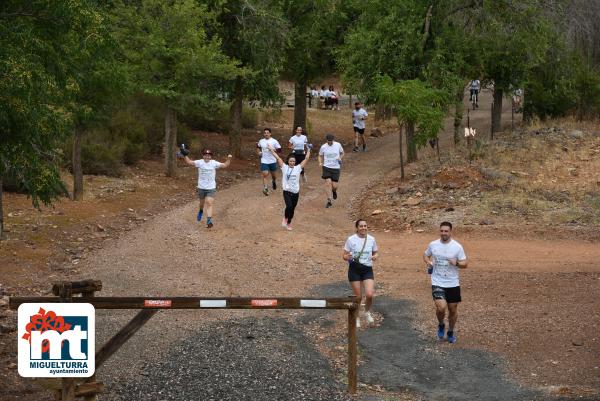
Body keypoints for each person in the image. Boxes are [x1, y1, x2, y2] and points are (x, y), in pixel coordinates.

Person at [423, 221, 468, 343]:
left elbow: (465, 264)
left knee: (453, 309)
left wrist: (457, 263)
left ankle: (451, 331)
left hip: (453, 283)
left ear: (450, 232)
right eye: (442, 231)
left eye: (446, 231)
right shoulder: (433, 245)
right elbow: (426, 255)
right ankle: (441, 324)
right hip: (437, 281)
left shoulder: (457, 247)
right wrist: (428, 262)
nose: (444, 233)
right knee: (441, 308)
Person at [180, 148, 232, 229]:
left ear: (211, 156)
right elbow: (189, 162)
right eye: (205, 155)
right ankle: (201, 211)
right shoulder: (199, 162)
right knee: (201, 204)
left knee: (209, 203)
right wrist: (185, 155)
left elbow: (225, 165)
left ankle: (209, 221)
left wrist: (229, 159)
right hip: (201, 187)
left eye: (209, 155)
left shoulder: (214, 163)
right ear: (203, 155)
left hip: (211, 187)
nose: (207, 157)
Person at [343, 219, 379, 328]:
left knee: (369, 294)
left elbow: (375, 252)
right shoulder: (351, 239)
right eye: (361, 226)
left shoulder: (372, 239)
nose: (363, 228)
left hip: (367, 269)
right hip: (354, 269)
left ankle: (367, 312)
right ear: (357, 228)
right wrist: (347, 257)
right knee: (358, 297)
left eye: (365, 226)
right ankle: (357, 317)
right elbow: (344, 255)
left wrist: (375, 256)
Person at [268, 143, 311, 231]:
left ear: (295, 163)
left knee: (293, 208)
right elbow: (278, 158)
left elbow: (306, 158)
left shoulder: (298, 168)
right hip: (287, 191)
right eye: (290, 161)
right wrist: (271, 149)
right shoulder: (284, 167)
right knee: (289, 205)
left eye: (293, 161)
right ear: (288, 161)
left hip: (295, 191)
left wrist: (309, 150)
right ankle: (285, 218)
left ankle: (289, 222)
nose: (292, 163)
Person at [318, 133, 344, 208]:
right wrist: (320, 162)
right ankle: (329, 200)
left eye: (331, 141)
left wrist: (340, 158)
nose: (330, 142)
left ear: (333, 139)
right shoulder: (323, 147)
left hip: (336, 167)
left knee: (334, 186)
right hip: (326, 167)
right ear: (327, 140)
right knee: (328, 183)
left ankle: (334, 191)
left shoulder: (338, 145)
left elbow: (342, 153)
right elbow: (320, 155)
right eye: (329, 141)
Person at [256, 128, 282, 196]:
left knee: (274, 176)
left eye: (267, 133)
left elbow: (279, 150)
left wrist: (272, 149)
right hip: (264, 160)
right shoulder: (261, 141)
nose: (266, 134)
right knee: (265, 174)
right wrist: (258, 152)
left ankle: (273, 181)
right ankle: (266, 188)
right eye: (265, 133)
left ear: (270, 133)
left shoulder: (274, 141)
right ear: (263, 134)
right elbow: (258, 147)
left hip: (272, 160)